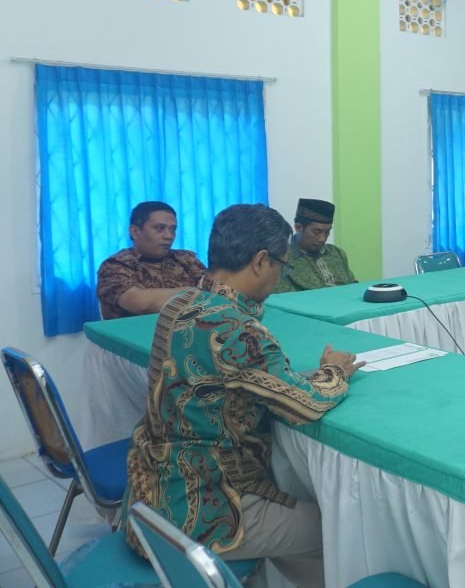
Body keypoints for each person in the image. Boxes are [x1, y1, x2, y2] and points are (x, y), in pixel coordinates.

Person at [124, 204, 362, 587]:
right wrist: (335, 371)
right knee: (338, 528)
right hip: (202, 509)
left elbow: (241, 378)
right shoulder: (237, 329)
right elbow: (308, 404)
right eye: (281, 265)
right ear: (261, 261)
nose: (280, 275)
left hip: (150, 493)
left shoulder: (179, 304)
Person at [96, 201, 207, 319]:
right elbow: (140, 303)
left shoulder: (185, 259)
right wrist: (198, 293)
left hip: (190, 328)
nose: (169, 236)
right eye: (159, 228)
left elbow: (217, 289)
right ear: (135, 232)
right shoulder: (115, 265)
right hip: (137, 330)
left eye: (173, 229)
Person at [273, 198, 356, 293]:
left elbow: (353, 286)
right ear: (298, 228)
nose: (322, 239)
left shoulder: (337, 253)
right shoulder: (282, 258)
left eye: (327, 232)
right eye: (316, 232)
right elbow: (282, 297)